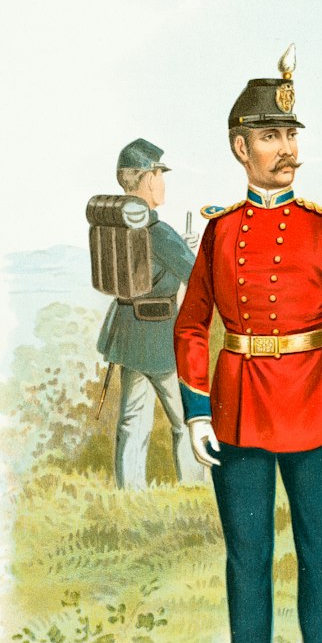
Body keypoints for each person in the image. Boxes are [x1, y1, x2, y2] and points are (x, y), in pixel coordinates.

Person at [174, 46, 322, 643]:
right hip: (237, 407)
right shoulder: (220, 230)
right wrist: (198, 412)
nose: (287, 149)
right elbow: (193, 327)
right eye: (271, 136)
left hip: (316, 403)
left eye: (292, 135)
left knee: (320, 550)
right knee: (248, 554)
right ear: (241, 147)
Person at [96, 138, 205, 489]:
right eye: (159, 174)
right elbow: (197, 276)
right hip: (159, 339)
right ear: (145, 179)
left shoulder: (117, 222)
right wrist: (192, 252)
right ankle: (194, 489)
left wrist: (178, 254)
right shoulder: (158, 231)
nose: (162, 183)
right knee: (187, 419)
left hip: (128, 334)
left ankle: (130, 494)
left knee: (131, 420)